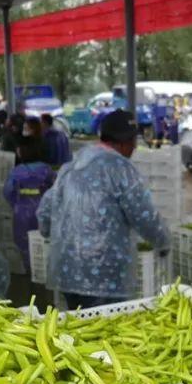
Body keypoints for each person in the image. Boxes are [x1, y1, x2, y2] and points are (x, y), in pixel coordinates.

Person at [37, 109, 170, 309]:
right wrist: (162, 242)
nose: (134, 148)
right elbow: (144, 215)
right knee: (104, 332)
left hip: (67, 270)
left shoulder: (71, 166)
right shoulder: (120, 168)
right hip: (105, 275)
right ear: (126, 142)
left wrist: (52, 235)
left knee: (78, 327)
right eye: (134, 142)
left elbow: (45, 211)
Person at [3, 136, 57, 269]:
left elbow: (7, 191)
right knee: (44, 238)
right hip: (43, 207)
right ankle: (45, 267)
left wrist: (16, 203)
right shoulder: (46, 169)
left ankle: (30, 268)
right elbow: (55, 189)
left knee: (24, 241)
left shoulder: (17, 171)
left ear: (22, 151)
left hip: (21, 210)